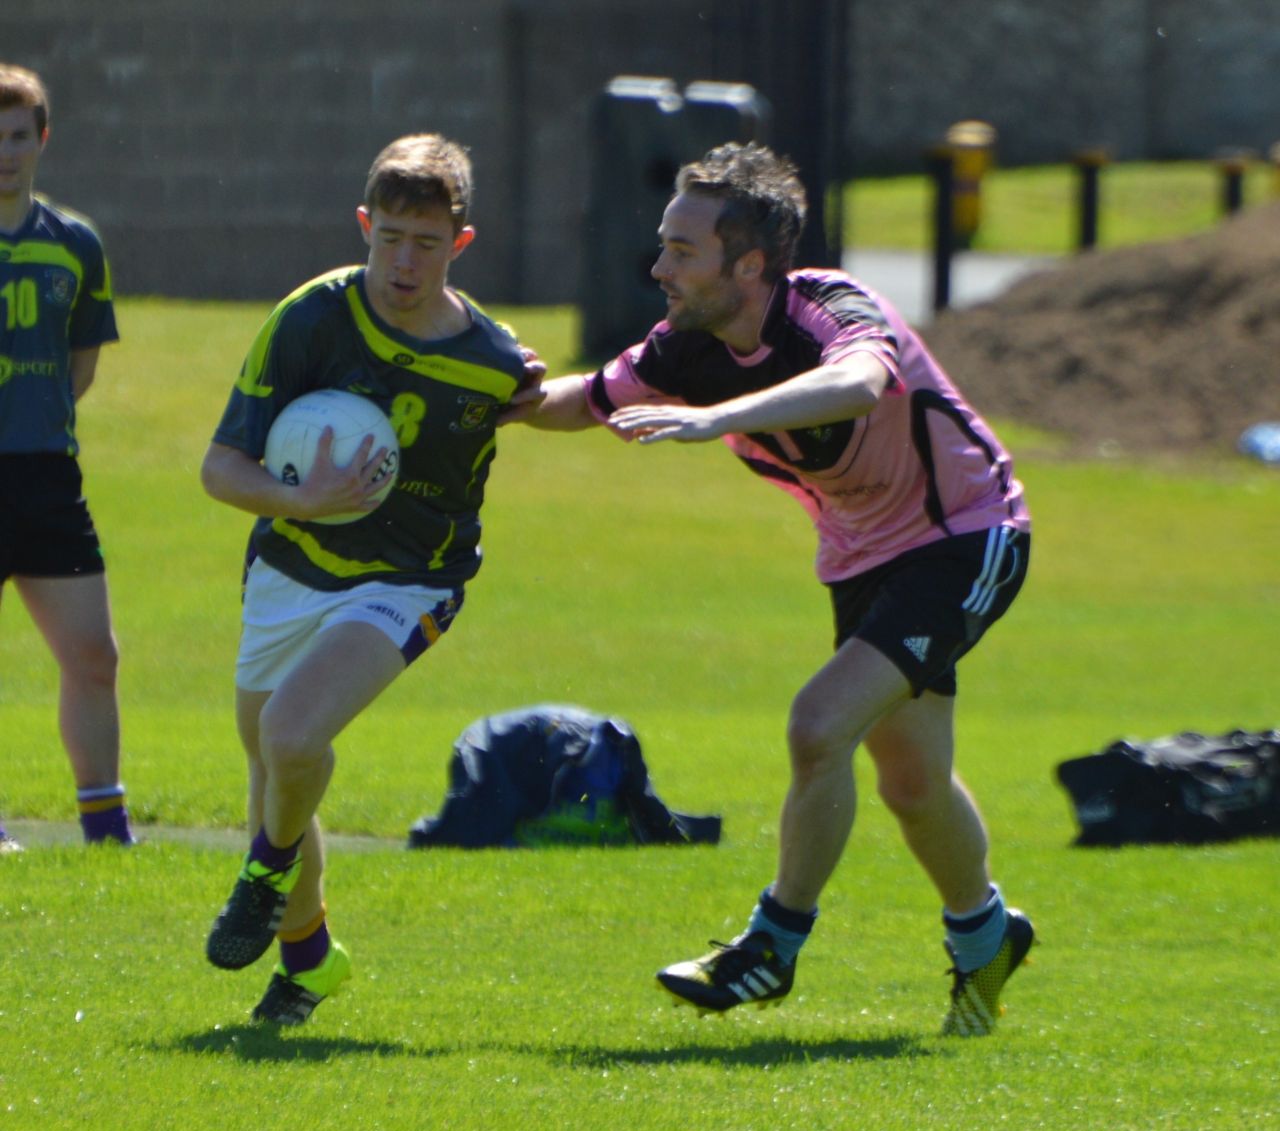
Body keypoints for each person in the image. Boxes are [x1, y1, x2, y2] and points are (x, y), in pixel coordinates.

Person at [518, 142, 1034, 1036]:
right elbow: (585, 399)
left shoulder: (829, 307)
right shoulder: (686, 347)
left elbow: (857, 382)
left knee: (817, 724)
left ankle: (771, 946)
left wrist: (719, 418)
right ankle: (986, 932)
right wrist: (476, 391)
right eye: (664, 245)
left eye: (683, 250)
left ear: (747, 264)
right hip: (862, 555)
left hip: (966, 533)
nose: (658, 267)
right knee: (912, 783)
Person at [201, 133, 530, 1025]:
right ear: (363, 226)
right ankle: (308, 958)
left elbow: (556, 403)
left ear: (460, 243)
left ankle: (264, 871)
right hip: (289, 564)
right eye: (388, 237)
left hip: (412, 579)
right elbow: (220, 468)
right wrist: (301, 500)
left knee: (292, 737)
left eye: (426, 243)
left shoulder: (493, 361)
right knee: (275, 767)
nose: (404, 260)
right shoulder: (313, 317)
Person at [0, 63, 135, 849]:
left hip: (47, 474)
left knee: (93, 654)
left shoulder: (75, 243)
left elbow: (81, 362)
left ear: (41, 140)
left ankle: (105, 826)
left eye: (18, 137)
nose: (5, 153)